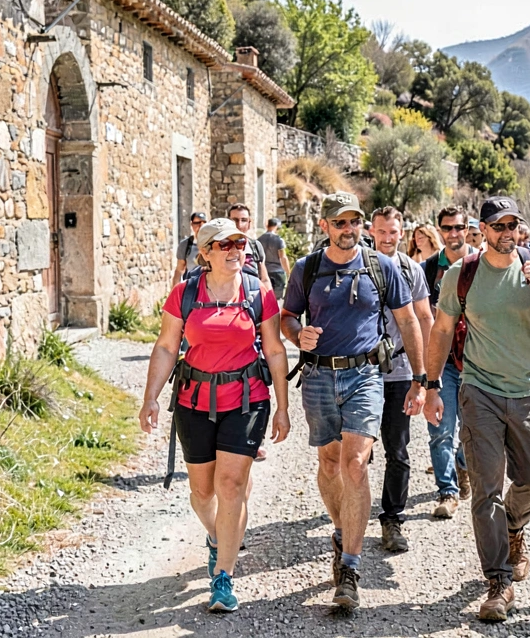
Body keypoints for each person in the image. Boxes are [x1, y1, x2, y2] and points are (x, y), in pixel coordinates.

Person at [424, 196, 530, 623]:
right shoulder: (463, 274)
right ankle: (498, 581)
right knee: (486, 490)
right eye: (498, 225)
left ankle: (513, 530)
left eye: (513, 224)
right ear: (483, 230)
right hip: (480, 393)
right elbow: (440, 330)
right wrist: (431, 386)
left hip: (528, 393)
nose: (506, 232)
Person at [281, 192, 429, 610]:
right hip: (318, 376)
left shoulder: (381, 267)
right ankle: (343, 531)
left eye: (354, 222)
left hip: (366, 375)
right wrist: (297, 334)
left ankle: (349, 566)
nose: (349, 230)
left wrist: (420, 380)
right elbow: (287, 316)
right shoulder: (306, 269)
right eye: (340, 222)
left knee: (355, 463)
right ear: (325, 226)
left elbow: (408, 321)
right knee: (329, 463)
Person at [140, 218, 291, 613]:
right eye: (224, 246)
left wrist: (283, 407)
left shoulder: (260, 294)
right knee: (202, 492)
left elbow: (275, 350)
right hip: (193, 401)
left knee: (231, 485)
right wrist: (150, 397)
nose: (235, 251)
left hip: (246, 399)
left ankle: (223, 576)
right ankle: (216, 535)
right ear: (204, 253)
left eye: (240, 244)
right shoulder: (184, 294)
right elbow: (166, 347)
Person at [368, 207, 434, 554]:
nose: (388, 238)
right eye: (382, 232)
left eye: (393, 232)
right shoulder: (359, 265)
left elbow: (424, 318)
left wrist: (423, 377)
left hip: (398, 372)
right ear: (372, 231)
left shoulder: (412, 271)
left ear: (401, 232)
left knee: (397, 448)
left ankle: (392, 519)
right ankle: (348, 519)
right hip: (361, 372)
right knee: (358, 451)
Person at [418, 207, 476, 517]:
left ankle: (463, 467)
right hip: (443, 362)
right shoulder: (429, 270)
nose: (453, 233)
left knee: (471, 431)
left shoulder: (483, 264)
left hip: (478, 362)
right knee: (441, 428)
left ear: (467, 229)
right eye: (447, 228)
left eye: (459, 227)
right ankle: (447, 491)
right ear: (439, 230)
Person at [227, 204, 268, 280]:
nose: (239, 225)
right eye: (235, 220)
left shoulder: (255, 246)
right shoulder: (219, 246)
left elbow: (264, 279)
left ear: (249, 224)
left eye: (244, 220)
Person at [170, 212, 208, 289]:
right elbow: (179, 270)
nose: (201, 226)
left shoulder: (214, 243)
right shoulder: (186, 245)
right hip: (191, 288)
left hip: (209, 288)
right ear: (192, 225)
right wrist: (174, 293)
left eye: (204, 222)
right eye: (197, 223)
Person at [258, 218, 292, 300]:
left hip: (263, 272)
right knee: (277, 299)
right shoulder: (278, 240)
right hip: (277, 272)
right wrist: (288, 273)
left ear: (267, 225)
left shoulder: (259, 240)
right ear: (276, 226)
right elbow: (283, 257)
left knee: (264, 298)